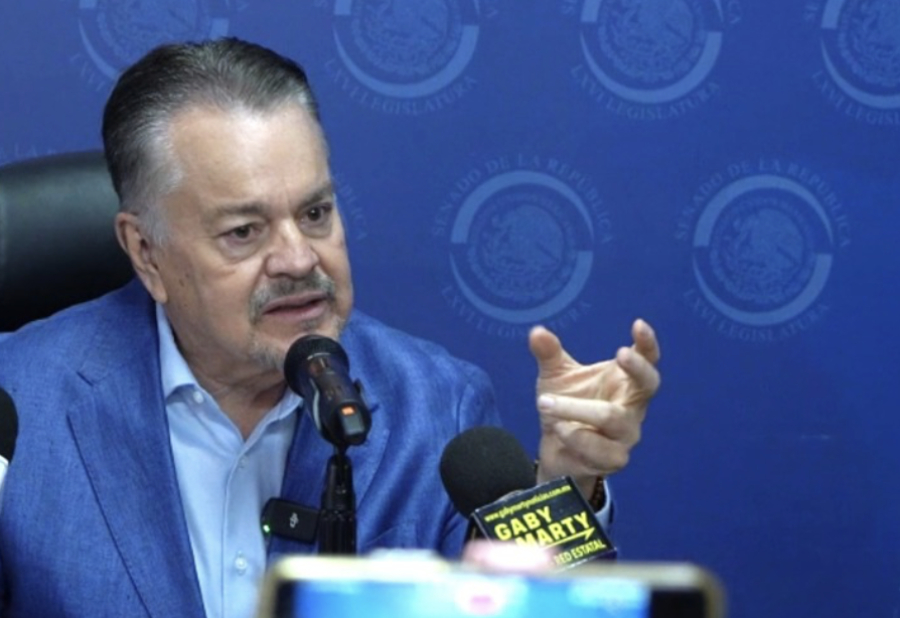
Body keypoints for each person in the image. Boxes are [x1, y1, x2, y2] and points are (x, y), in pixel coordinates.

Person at [0, 38, 660, 618]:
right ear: (146, 253)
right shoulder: (17, 404)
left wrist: (566, 487)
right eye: (244, 231)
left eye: (315, 214)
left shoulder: (439, 406)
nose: (298, 259)